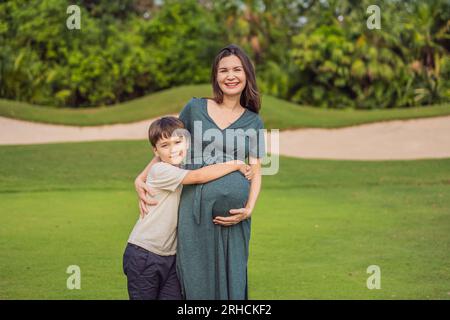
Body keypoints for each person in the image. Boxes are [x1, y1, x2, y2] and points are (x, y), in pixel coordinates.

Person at [135, 44, 265, 299]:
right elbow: (169, 145)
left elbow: (257, 169)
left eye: (237, 69)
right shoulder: (195, 108)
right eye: (223, 70)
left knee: (233, 280)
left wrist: (249, 209)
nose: (230, 76)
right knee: (197, 282)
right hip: (193, 214)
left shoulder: (254, 121)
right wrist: (140, 177)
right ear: (215, 77)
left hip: (235, 220)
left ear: (247, 74)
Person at [124, 116, 250, 300]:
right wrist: (236, 164)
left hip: (172, 257)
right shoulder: (161, 170)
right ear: (155, 150)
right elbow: (197, 177)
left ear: (187, 142)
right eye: (165, 145)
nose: (173, 149)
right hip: (144, 253)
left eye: (177, 142)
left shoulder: (183, 165)